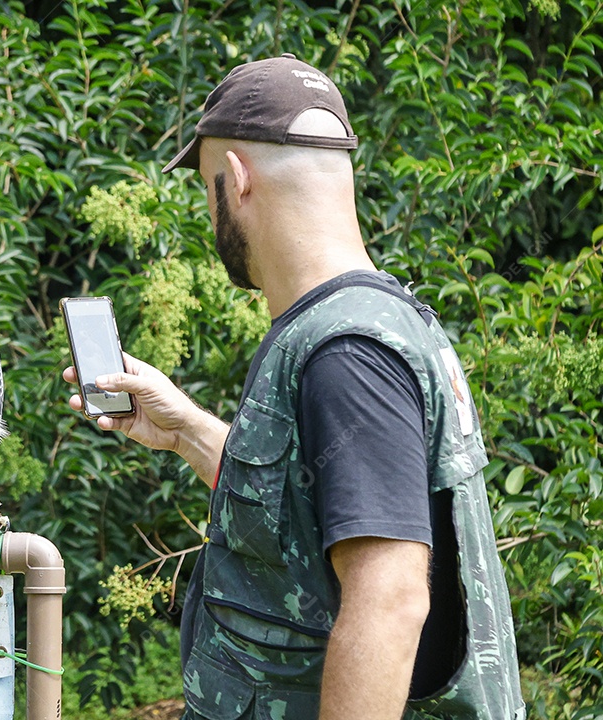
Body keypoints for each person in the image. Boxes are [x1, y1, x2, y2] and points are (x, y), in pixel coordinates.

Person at [64, 54, 525, 720]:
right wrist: (187, 431)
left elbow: (390, 602)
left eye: (207, 190)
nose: (210, 213)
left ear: (237, 179)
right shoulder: (366, 323)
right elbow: (304, 514)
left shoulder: (348, 354)